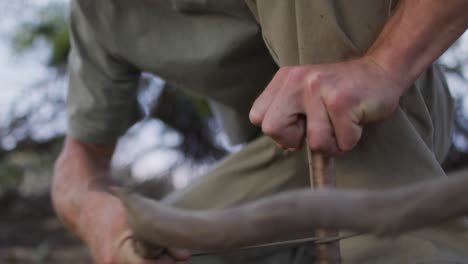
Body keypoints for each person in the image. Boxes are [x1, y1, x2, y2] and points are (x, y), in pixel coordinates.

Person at [52, 0, 468, 263]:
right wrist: (97, 217)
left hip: (398, 113)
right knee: (159, 250)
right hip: (283, 160)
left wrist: (382, 67)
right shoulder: (96, 13)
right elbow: (78, 159)